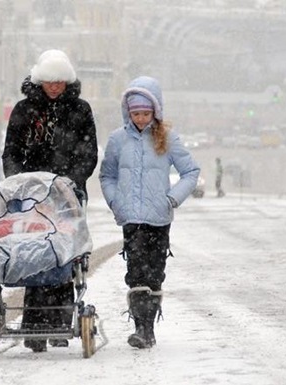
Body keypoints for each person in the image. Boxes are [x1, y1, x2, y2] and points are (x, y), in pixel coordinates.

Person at [1, 49, 98, 353]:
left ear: (66, 82)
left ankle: (59, 321)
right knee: (34, 254)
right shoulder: (23, 110)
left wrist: (70, 180)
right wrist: (20, 181)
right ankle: (34, 324)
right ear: (40, 81)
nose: (54, 87)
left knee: (64, 253)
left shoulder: (80, 110)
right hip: (31, 193)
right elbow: (12, 151)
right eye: (49, 82)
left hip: (67, 193)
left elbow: (88, 153)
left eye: (59, 82)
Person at [99, 76, 200, 349]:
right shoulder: (118, 140)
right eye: (136, 114)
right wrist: (114, 201)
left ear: (155, 111)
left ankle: (149, 326)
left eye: (145, 113)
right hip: (131, 218)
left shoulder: (167, 138)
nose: (141, 119)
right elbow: (106, 175)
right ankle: (140, 328)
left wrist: (172, 198)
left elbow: (191, 172)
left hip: (159, 218)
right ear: (127, 113)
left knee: (155, 273)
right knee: (135, 273)